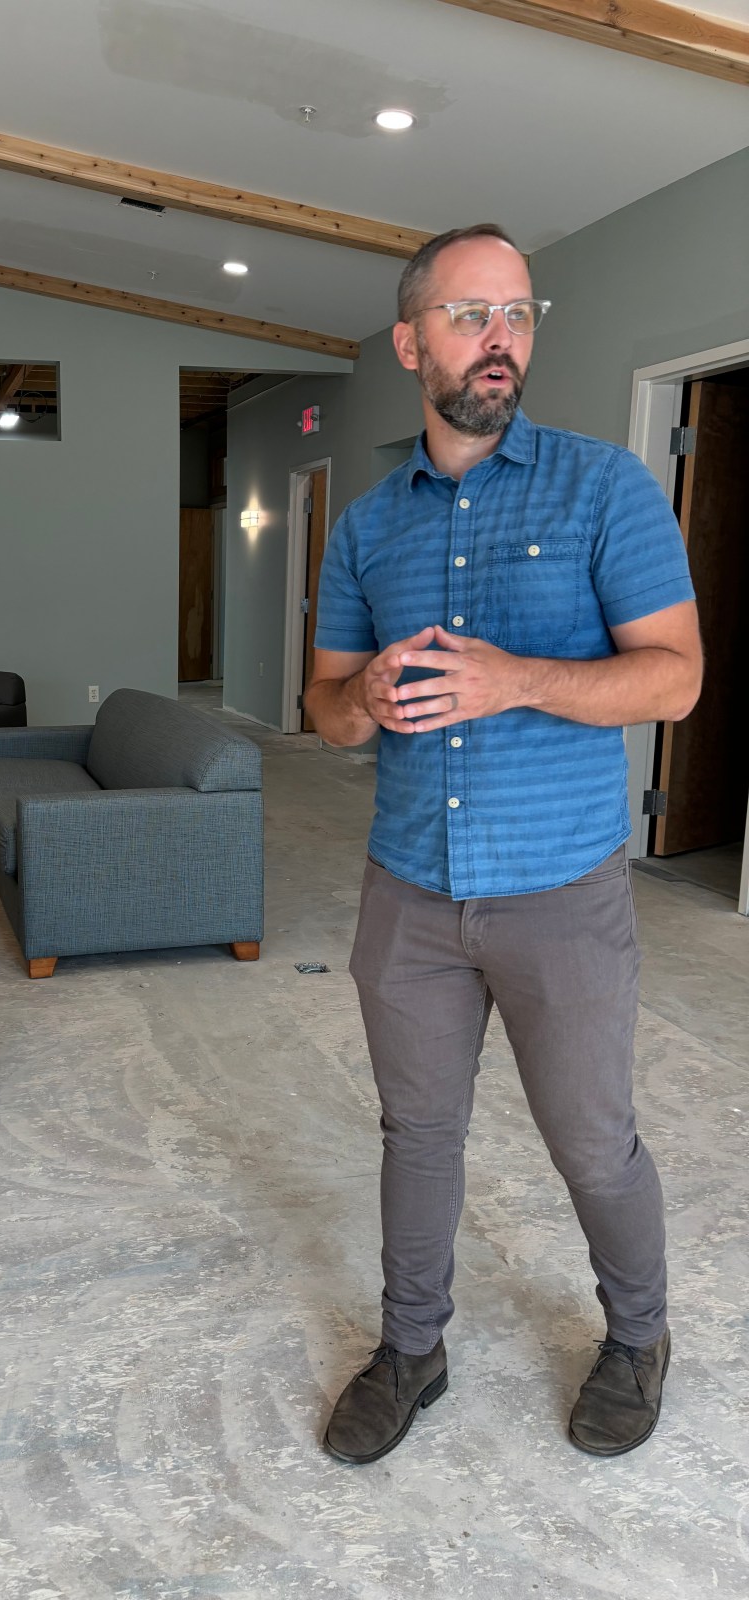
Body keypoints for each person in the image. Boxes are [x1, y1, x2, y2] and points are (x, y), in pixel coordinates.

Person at [305, 223, 702, 1465]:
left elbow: (676, 681)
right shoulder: (367, 527)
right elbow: (319, 713)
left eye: (519, 314)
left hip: (561, 892)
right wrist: (363, 697)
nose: (502, 340)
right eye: (473, 316)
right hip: (409, 890)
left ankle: (640, 1335)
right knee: (416, 1134)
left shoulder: (604, 487)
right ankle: (411, 1347)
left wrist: (516, 679)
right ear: (411, 341)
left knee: (590, 1135)